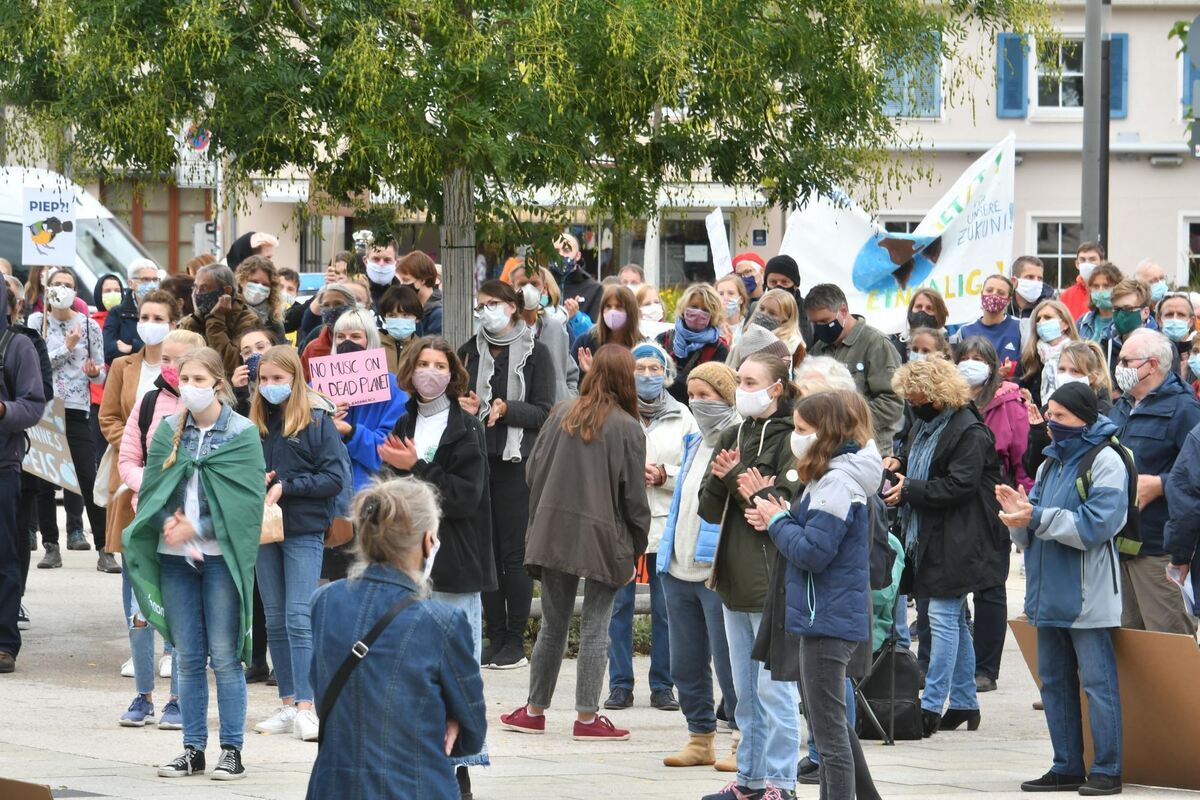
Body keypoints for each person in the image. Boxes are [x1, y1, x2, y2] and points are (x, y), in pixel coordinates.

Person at [121, 346, 266, 780]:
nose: (191, 388)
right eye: (185, 380)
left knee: (223, 657)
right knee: (187, 658)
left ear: (220, 383)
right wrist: (169, 523)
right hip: (174, 560)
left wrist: (197, 532)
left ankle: (232, 750)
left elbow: (246, 510)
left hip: (220, 560)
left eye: (200, 380)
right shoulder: (168, 429)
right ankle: (192, 748)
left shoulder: (242, 434)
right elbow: (154, 491)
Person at [500, 344, 651, 741]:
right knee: (596, 626)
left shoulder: (561, 413)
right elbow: (633, 497)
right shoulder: (628, 427)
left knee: (553, 624)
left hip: (553, 533)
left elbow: (533, 471)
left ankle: (534, 710)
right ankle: (586, 718)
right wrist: (638, 538)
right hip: (604, 537)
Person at [306, 477, 487, 800]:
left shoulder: (325, 602)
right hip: (415, 786)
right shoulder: (442, 622)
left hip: (334, 785)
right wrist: (448, 719)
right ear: (428, 542)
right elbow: (472, 732)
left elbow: (326, 696)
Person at [746, 390, 882, 800]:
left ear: (827, 432)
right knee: (833, 725)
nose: (796, 436)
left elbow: (812, 552)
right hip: (824, 614)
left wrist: (776, 521)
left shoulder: (837, 481)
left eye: (803, 429)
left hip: (825, 618)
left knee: (828, 739)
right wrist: (781, 516)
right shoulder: (834, 476)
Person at [380, 337, 498, 797]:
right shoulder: (403, 419)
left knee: (457, 667)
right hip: (408, 567)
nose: (432, 372)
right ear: (410, 371)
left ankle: (460, 765)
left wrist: (418, 466)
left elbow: (465, 497)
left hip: (454, 565)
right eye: (424, 364)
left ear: (453, 374)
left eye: (440, 365)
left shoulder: (467, 427)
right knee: (411, 669)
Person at [998, 382, 1127, 797]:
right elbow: (1034, 527)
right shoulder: (1050, 463)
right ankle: (1066, 765)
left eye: (1061, 417)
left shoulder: (1108, 459)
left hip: (1088, 595)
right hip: (1046, 593)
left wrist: (1034, 516)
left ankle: (1107, 769)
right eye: (1049, 415)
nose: (1051, 424)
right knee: (1053, 682)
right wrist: (1018, 518)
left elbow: (1096, 525)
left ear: (1084, 418)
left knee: (1097, 685)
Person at [885, 356, 1008, 737]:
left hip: (960, 537)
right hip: (934, 534)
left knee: (940, 620)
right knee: (951, 619)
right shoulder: (926, 423)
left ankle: (932, 704)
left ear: (938, 395)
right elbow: (924, 462)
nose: (913, 403)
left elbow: (959, 484)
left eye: (918, 396)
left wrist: (909, 489)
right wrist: (899, 461)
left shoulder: (969, 430)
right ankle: (966, 703)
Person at [697, 353, 802, 800]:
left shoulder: (792, 437)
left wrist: (738, 475)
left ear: (776, 388)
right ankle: (750, 779)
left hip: (771, 577)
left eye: (751, 380)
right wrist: (736, 479)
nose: (742, 387)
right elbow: (707, 505)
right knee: (744, 690)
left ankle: (783, 782)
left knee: (775, 690)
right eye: (739, 379)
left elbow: (777, 504)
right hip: (733, 577)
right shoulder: (731, 432)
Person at [250, 346, 348, 743]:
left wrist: (286, 487)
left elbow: (334, 478)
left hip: (303, 528)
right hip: (262, 529)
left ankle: (308, 706)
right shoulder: (252, 422)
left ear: (294, 378)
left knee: (297, 616)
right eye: (265, 379)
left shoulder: (315, 420)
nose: (271, 386)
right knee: (274, 617)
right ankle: (288, 701)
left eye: (278, 378)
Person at [458, 280, 555, 669]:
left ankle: (515, 640)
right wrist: (470, 407)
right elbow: (457, 400)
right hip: (478, 459)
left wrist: (505, 409)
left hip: (517, 462)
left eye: (494, 304)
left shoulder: (537, 353)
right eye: (481, 305)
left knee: (513, 555)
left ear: (514, 307)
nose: (486, 311)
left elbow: (545, 411)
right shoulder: (469, 351)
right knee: (486, 553)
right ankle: (495, 636)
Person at [114, 328, 203, 728]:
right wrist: (149, 488)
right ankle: (142, 696)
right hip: (146, 520)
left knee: (181, 616)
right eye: (165, 359)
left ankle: (178, 700)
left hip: (187, 526)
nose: (170, 367)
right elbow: (129, 456)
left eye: (179, 361)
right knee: (139, 612)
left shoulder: (208, 408)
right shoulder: (148, 402)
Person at [656, 361, 740, 769]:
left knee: (730, 663)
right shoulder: (693, 443)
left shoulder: (740, 441)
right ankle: (700, 736)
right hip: (677, 565)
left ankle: (745, 740)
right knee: (684, 662)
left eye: (707, 395)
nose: (698, 402)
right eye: (692, 394)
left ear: (727, 397)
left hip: (714, 571)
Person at [603, 342, 693, 712]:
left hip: (666, 522)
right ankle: (620, 684)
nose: (648, 375)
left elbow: (693, 466)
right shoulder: (613, 413)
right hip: (623, 522)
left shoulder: (684, 416)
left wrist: (664, 474)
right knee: (618, 606)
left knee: (666, 608)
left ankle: (663, 686)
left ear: (667, 373)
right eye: (640, 368)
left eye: (656, 368)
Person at [1105, 329, 1200, 635]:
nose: (1119, 368)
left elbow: (1194, 475)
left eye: (1126, 360)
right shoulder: (1120, 407)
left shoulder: (1185, 409)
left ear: (1152, 364)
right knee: (1129, 645)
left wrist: (1161, 483)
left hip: (1160, 549)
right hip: (1120, 545)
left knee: (1168, 643)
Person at [955, 337, 1030, 694]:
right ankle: (956, 662)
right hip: (955, 499)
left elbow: (1022, 457)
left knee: (989, 586)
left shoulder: (1009, 402)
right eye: (965, 358)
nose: (971, 363)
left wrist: (1021, 499)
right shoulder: (950, 399)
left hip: (994, 500)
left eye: (978, 358)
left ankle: (986, 668)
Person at [28, 268, 111, 566]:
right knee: (45, 482)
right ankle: (51, 545)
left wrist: (94, 373)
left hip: (77, 408)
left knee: (87, 478)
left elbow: (100, 373)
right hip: (45, 408)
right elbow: (38, 366)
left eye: (68, 285)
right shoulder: (37, 322)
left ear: (76, 292)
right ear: (46, 289)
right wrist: (68, 346)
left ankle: (104, 547)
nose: (62, 289)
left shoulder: (89, 326)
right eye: (57, 284)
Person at [0, 274, 48, 673]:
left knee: (4, 555)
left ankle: (4, 642)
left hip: (3, 466)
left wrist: (3, 411)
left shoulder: (17, 345)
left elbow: (33, 405)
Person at [805, 283, 904, 455]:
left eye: (824, 321)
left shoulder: (876, 344)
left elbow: (892, 403)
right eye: (814, 323)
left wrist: (844, 421)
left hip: (868, 450)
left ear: (843, 311)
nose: (820, 328)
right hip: (828, 449)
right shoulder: (818, 349)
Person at [328, 310, 409, 491]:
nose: (347, 342)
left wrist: (350, 432)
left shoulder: (392, 388)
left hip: (372, 491)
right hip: (328, 493)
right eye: (340, 336)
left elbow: (389, 451)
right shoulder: (318, 387)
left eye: (356, 336)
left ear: (370, 340)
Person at [1024, 341, 1114, 480]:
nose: (1066, 375)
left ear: (1090, 377)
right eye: (1062, 369)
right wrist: (1039, 434)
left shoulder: (1103, 411)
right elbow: (1032, 469)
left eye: (1075, 371)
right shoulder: (1048, 409)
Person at [180, 263, 261, 379]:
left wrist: (216, 319)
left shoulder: (248, 320)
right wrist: (197, 316)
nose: (197, 294)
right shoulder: (200, 315)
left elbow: (232, 364)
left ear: (226, 291)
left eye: (204, 288)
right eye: (196, 288)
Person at [511, 267, 579, 402]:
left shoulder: (556, 328)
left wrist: (568, 400)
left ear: (544, 288)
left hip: (556, 416)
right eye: (522, 284)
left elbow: (570, 374)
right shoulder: (505, 330)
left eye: (535, 284)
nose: (528, 289)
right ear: (512, 288)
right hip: (519, 415)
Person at [657, 284, 729, 403]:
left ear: (713, 314)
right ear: (684, 308)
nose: (698, 313)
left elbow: (709, 389)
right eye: (694, 306)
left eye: (705, 310)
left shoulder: (719, 349)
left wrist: (667, 376)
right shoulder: (664, 339)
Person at [953, 274, 1023, 381]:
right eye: (989, 290)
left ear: (1008, 301)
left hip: (1011, 395)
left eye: (1001, 293)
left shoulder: (1021, 327)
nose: (994, 295)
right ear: (982, 295)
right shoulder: (965, 331)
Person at [1020, 300, 1080, 408]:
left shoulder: (1079, 355)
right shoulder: (1030, 357)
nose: (1041, 322)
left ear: (1065, 324)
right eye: (1038, 319)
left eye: (1047, 317)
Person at [728, 288, 804, 369]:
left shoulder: (794, 348)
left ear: (786, 319)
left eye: (772, 313)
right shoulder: (747, 336)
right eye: (761, 308)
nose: (763, 314)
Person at [104, 258, 162, 364]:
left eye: (155, 280)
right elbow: (108, 352)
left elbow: (163, 349)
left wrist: (132, 347)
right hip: (125, 375)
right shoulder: (118, 313)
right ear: (131, 283)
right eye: (145, 280)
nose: (152, 284)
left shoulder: (164, 310)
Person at [299, 284, 356, 381]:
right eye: (326, 305)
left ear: (352, 306)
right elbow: (302, 385)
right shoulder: (313, 349)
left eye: (338, 304)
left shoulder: (368, 340)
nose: (332, 309)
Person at [762, 254, 814, 347]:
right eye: (773, 282)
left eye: (785, 282)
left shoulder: (810, 310)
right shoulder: (757, 308)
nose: (779, 287)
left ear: (795, 285)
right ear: (766, 284)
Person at [234, 255, 286, 342]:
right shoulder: (229, 310)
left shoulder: (273, 322)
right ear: (242, 280)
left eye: (265, 285)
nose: (259, 288)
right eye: (254, 282)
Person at [554, 233, 603, 324]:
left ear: (578, 256)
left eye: (566, 250)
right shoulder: (542, 283)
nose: (560, 255)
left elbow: (595, 330)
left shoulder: (594, 288)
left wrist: (577, 317)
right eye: (556, 251)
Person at [891, 288, 949, 362]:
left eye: (929, 308)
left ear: (939, 315)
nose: (923, 311)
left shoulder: (950, 345)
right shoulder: (897, 345)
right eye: (919, 307)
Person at [377, 284, 423, 374]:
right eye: (392, 316)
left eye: (406, 315)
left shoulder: (423, 348)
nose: (399, 320)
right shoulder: (373, 345)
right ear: (384, 318)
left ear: (417, 318)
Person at [397, 250, 443, 335]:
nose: (402, 285)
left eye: (406, 280)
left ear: (422, 280)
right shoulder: (414, 308)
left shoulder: (438, 313)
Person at [1075, 262, 1123, 342]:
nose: (1100, 291)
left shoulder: (1125, 321)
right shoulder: (1082, 322)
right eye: (1096, 286)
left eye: (1106, 286)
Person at [1059, 241, 1106, 320]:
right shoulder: (1066, 296)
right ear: (1077, 264)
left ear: (1101, 262)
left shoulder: (1110, 291)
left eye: (1092, 259)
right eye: (1082, 260)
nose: (1087, 263)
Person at [1157, 291, 1197, 384]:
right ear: (1159, 320)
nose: (1175, 319)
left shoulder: (1197, 350)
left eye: (1181, 315)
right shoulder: (1149, 350)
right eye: (1169, 314)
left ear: (1191, 321)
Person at [1009, 255, 1057, 323]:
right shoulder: (1004, 305)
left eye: (1040, 278)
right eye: (1030, 277)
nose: (1036, 282)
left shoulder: (1051, 307)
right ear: (1014, 281)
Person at [363, 237, 401, 307]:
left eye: (387, 260)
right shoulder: (354, 293)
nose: (381, 264)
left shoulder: (404, 296)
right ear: (366, 261)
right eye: (376, 259)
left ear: (397, 263)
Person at [715, 274, 750, 349]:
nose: (725, 298)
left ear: (741, 299)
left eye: (731, 293)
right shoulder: (712, 328)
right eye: (721, 294)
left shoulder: (749, 327)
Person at [276, 268, 304, 338]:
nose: (284, 292)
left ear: (296, 293)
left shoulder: (303, 315)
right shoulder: (265, 313)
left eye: (290, 289)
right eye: (280, 287)